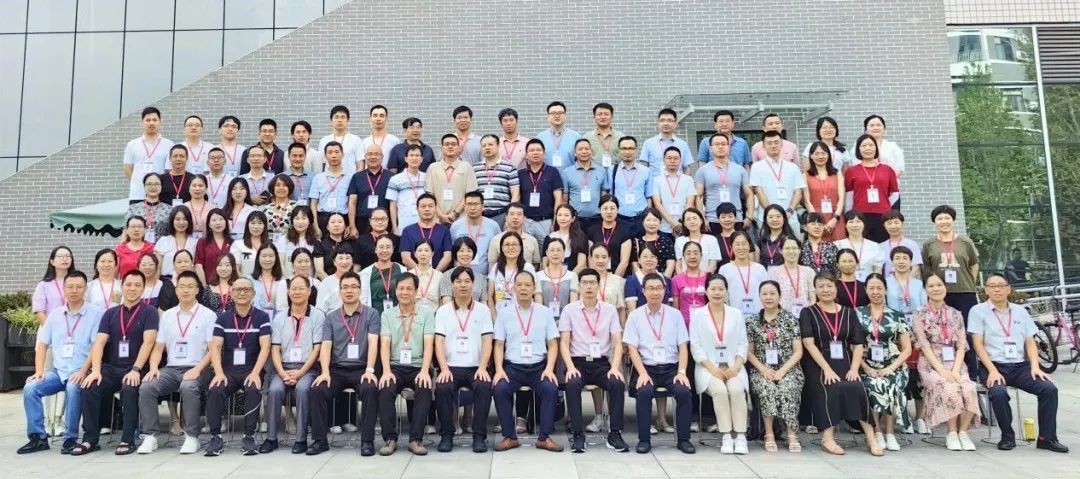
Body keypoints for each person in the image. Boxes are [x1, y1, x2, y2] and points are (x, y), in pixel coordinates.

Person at [970, 274, 1068, 453]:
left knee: (1049, 389)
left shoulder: (1020, 311)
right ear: (986, 290)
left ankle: (1046, 438)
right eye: (992, 286)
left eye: (1001, 285)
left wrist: (1035, 366)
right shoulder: (977, 311)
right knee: (998, 392)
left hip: (1020, 366)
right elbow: (978, 345)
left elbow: (1030, 341)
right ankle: (1007, 436)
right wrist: (992, 370)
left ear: (1009, 289)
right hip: (993, 365)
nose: (997, 289)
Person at [72, 270, 159, 456]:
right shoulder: (110, 313)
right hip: (111, 367)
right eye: (128, 284)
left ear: (143, 288)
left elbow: (149, 342)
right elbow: (99, 342)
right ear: (122, 286)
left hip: (136, 368)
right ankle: (90, 439)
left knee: (129, 388)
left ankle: (127, 439)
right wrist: (95, 371)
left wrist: (136, 369)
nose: (132, 288)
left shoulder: (150, 312)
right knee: (89, 386)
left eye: (137, 285)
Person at [18, 271, 103, 455]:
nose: (74, 290)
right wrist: (39, 371)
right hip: (58, 372)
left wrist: (83, 371)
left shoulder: (96, 313)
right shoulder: (55, 315)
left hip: (83, 371)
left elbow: (96, 346)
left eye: (79, 287)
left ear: (85, 289)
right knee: (31, 388)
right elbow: (42, 344)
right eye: (70, 287)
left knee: (73, 387)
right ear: (64, 289)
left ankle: (70, 438)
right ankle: (38, 438)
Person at [799, 272, 883, 456]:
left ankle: (871, 438)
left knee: (856, 386)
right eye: (821, 286)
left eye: (829, 285)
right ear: (815, 290)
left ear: (836, 288)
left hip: (845, 359)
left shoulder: (848, 312)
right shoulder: (808, 312)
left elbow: (858, 344)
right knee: (833, 385)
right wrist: (827, 369)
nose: (825, 290)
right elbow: (808, 343)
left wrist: (854, 368)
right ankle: (827, 438)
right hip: (818, 362)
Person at [135, 271, 215, 454]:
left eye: (190, 286)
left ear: (197, 290)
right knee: (147, 386)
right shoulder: (168, 315)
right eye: (182, 286)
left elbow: (213, 350)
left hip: (199, 367)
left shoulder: (208, 315)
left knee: (188, 386)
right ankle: (150, 436)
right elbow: (158, 348)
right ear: (176, 290)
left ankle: (192, 437)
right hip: (171, 368)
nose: (186, 290)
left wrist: (198, 369)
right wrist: (153, 368)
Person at [559, 267, 629, 453]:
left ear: (598, 286)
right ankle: (577, 435)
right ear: (579, 286)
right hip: (578, 363)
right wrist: (570, 367)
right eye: (585, 283)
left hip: (602, 363)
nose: (589, 286)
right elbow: (564, 343)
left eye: (592, 283)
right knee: (572, 383)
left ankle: (615, 433)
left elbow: (617, 342)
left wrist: (615, 368)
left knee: (617, 383)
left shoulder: (609, 310)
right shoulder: (569, 310)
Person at [624, 273, 695, 454]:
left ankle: (684, 439)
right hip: (646, 368)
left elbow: (683, 346)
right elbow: (632, 348)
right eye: (651, 288)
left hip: (672, 368)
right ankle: (644, 440)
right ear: (643, 291)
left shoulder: (675, 315)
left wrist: (682, 372)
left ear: (664, 291)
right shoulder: (635, 316)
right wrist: (642, 373)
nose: (655, 292)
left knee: (684, 392)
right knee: (644, 392)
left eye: (658, 288)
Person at [492, 271, 563, 452]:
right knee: (500, 389)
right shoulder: (504, 313)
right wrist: (499, 369)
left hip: (538, 368)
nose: (523, 288)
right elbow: (498, 344)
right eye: (519, 285)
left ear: (534, 288)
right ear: (514, 288)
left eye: (527, 285)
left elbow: (552, 344)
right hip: (513, 368)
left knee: (550, 389)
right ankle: (510, 437)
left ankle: (544, 438)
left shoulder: (545, 312)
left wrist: (549, 368)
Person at [203, 277, 271, 456]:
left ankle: (249, 436)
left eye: (246, 289)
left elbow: (265, 347)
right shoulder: (223, 318)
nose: (242, 293)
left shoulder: (262, 317)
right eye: (238, 289)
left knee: (253, 389)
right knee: (215, 389)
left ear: (253, 293)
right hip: (228, 371)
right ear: (232, 293)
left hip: (251, 369)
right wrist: (218, 373)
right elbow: (215, 347)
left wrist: (256, 373)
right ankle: (215, 437)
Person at [913, 273, 980, 451]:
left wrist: (956, 369)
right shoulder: (919, 314)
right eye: (931, 286)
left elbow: (961, 345)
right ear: (925, 290)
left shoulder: (956, 314)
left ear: (945, 287)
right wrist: (942, 371)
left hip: (955, 363)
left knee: (969, 388)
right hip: (931, 364)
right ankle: (951, 433)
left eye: (939, 285)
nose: (936, 289)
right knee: (950, 388)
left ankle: (963, 432)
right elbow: (924, 345)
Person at [433, 267, 494, 452]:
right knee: (443, 388)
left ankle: (479, 436)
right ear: (452, 285)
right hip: (451, 367)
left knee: (483, 386)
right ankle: (446, 435)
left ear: (473, 284)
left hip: (476, 366)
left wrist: (483, 367)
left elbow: (487, 341)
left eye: (467, 281)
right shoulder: (443, 311)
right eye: (458, 281)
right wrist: (444, 369)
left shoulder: (483, 310)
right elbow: (438, 342)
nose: (463, 285)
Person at [262, 272, 323, 454]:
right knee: (274, 390)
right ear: (288, 292)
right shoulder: (280, 317)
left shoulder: (318, 316)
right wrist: (282, 373)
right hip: (284, 368)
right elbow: (275, 349)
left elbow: (317, 349)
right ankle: (271, 438)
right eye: (293, 289)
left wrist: (301, 372)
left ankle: (301, 439)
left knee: (303, 389)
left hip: (308, 369)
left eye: (301, 288)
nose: (297, 292)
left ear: (309, 291)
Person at [689, 274, 749, 454]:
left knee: (736, 389)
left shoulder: (736, 314)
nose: (717, 292)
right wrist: (712, 369)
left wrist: (736, 367)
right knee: (720, 391)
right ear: (706, 291)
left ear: (726, 291)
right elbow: (696, 346)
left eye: (721, 289)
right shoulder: (698, 315)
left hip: (733, 367)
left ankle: (740, 436)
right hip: (708, 368)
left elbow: (743, 343)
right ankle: (726, 436)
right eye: (713, 289)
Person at [376, 272, 435, 456]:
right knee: (385, 388)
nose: (405, 292)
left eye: (409, 288)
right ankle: (390, 439)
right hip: (395, 366)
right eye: (401, 288)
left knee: (424, 387)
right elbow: (385, 344)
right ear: (396, 291)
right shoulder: (387, 315)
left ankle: (415, 440)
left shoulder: (426, 314)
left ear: (416, 292)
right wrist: (386, 371)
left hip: (418, 366)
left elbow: (429, 344)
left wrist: (425, 370)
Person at [745, 280, 804, 453]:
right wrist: (763, 370)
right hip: (762, 369)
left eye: (772, 293)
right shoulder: (752, 321)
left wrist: (783, 371)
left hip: (788, 369)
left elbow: (798, 351)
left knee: (788, 386)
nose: (768, 297)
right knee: (767, 388)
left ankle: (791, 433)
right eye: (764, 293)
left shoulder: (791, 319)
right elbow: (749, 352)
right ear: (759, 296)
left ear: (780, 295)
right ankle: (769, 433)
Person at [922, 204, 981, 376]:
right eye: (939, 218)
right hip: (940, 296)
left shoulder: (965, 242)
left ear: (953, 220)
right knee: (942, 333)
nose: (944, 221)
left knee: (967, 333)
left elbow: (974, 265)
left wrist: (970, 282)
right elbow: (927, 270)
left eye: (947, 218)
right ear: (935, 222)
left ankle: (972, 373)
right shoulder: (929, 244)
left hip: (965, 293)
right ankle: (946, 371)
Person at [857, 273, 912, 452]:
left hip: (894, 365)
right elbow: (852, 346)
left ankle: (890, 433)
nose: (875, 292)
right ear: (866, 290)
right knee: (873, 384)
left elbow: (907, 349)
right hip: (866, 365)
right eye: (871, 288)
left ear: (886, 290)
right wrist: (865, 367)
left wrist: (891, 368)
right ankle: (877, 432)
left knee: (891, 384)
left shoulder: (897, 315)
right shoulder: (857, 314)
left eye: (879, 288)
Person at [844, 135, 900, 242]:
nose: (868, 148)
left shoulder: (887, 170)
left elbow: (894, 193)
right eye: (864, 146)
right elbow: (849, 196)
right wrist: (848, 216)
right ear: (858, 149)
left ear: (876, 148)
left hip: (883, 216)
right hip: (860, 216)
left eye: (871, 145)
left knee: (883, 246)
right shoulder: (851, 171)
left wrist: (886, 207)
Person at [696, 134, 754, 232]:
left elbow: (749, 194)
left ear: (729, 147)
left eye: (723, 144)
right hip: (712, 220)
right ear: (710, 148)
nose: (720, 147)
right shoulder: (703, 170)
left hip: (736, 219)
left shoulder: (740, 169)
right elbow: (698, 196)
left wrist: (749, 217)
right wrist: (702, 219)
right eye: (716, 144)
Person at [750, 131, 805, 232]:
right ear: (764, 146)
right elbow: (758, 191)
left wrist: (790, 211)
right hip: (767, 219)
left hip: (790, 218)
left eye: (776, 142)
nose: (773, 146)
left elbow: (798, 192)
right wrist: (772, 214)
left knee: (793, 242)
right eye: (769, 143)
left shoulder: (793, 167)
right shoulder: (756, 167)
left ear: (781, 144)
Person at [425, 134, 479, 225]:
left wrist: (455, 213)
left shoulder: (466, 166)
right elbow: (430, 195)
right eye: (447, 144)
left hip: (461, 219)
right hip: (437, 219)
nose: (450, 146)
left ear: (459, 148)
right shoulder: (433, 168)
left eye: (453, 144)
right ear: (442, 148)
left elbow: (470, 194)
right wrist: (441, 215)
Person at [123, 107, 173, 203]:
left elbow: (169, 171)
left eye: (154, 120)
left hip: (161, 195)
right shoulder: (132, 144)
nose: (151, 123)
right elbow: (127, 169)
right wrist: (139, 182)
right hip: (138, 194)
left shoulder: (169, 145)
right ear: (142, 123)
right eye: (148, 120)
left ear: (160, 122)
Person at [519, 139, 565, 240]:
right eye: (532, 150)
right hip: (526, 221)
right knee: (526, 248)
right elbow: (518, 197)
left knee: (546, 248)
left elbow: (558, 198)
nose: (535, 153)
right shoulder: (521, 174)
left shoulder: (553, 172)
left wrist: (556, 220)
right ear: (526, 155)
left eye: (538, 150)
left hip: (546, 221)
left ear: (544, 154)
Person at [561, 138, 610, 233]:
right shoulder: (566, 172)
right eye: (580, 149)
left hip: (597, 219)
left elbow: (604, 196)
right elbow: (565, 198)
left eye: (587, 149)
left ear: (591, 151)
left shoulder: (601, 171)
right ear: (575, 153)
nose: (584, 152)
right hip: (576, 219)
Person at [652, 138, 698, 235]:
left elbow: (690, 203)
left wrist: (681, 222)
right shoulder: (656, 180)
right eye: (669, 158)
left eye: (676, 158)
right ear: (664, 160)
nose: (672, 161)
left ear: (680, 160)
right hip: (664, 227)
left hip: (684, 225)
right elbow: (657, 204)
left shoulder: (688, 179)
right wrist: (673, 222)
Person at [717, 231, 769, 317]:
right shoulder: (724, 270)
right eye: (737, 244)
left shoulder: (760, 269)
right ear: (731, 246)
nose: (741, 247)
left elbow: (767, 292)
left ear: (749, 246)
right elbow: (723, 296)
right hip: (734, 317)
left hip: (758, 317)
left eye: (744, 244)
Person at [803, 141, 846, 242]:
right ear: (811, 156)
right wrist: (817, 221)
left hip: (835, 217)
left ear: (828, 155)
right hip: (816, 220)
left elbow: (841, 198)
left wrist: (835, 219)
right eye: (816, 154)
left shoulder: (837, 173)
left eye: (823, 153)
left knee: (839, 247)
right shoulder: (805, 175)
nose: (820, 156)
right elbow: (806, 201)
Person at [450, 191, 501, 275]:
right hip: (460, 275)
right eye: (469, 204)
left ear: (482, 206)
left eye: (476, 204)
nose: (472, 208)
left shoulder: (493, 225)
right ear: (464, 206)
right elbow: (452, 252)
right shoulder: (455, 226)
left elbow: (499, 251)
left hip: (485, 275)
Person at [474, 134, 520, 226]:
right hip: (480, 215)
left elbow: (516, 194)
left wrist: (510, 215)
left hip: (501, 214)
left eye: (490, 144)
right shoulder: (475, 168)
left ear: (498, 146)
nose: (487, 147)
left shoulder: (510, 168)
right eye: (484, 145)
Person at [347, 143, 392, 236]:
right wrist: (352, 226)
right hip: (362, 222)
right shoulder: (357, 177)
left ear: (382, 157)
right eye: (370, 154)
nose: (373, 157)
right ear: (365, 157)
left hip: (384, 222)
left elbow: (394, 204)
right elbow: (352, 202)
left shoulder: (391, 177)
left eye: (376, 154)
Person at [309, 142, 350, 236]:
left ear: (342, 154)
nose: (333, 155)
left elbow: (353, 203)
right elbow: (313, 204)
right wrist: (315, 225)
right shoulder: (318, 178)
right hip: (323, 219)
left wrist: (350, 224)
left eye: (336, 152)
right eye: (330, 152)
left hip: (343, 219)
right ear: (325, 156)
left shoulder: (350, 177)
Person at [488, 232, 537, 313]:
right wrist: (495, 316)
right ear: (502, 248)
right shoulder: (496, 267)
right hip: (500, 315)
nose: (511, 247)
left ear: (520, 247)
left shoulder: (527, 267)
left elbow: (535, 293)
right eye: (507, 244)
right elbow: (490, 296)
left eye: (514, 244)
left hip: (522, 315)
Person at [401, 195, 453, 271]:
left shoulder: (444, 230)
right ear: (417, 209)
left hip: (438, 275)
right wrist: (420, 274)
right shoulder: (408, 231)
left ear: (435, 208)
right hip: (415, 276)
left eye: (430, 206)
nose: (427, 209)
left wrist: (434, 275)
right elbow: (406, 258)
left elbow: (447, 257)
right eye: (423, 206)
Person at [768, 237, 816, 318]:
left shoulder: (808, 271)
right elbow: (772, 297)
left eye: (794, 248)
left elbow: (813, 298)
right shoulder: (774, 272)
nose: (791, 251)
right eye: (787, 248)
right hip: (782, 317)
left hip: (806, 316)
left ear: (799, 250)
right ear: (781, 250)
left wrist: (808, 315)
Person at [387, 144, 429, 234]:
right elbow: (392, 205)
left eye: (417, 155)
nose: (414, 158)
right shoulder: (395, 179)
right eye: (411, 155)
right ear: (406, 159)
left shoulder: (427, 177)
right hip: (404, 225)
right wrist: (394, 227)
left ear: (422, 159)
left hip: (425, 223)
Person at [358, 235, 405, 315]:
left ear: (393, 249)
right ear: (375, 249)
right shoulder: (366, 273)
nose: (384, 250)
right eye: (381, 247)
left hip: (398, 315)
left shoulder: (401, 270)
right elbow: (363, 300)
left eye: (388, 247)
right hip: (374, 316)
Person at [587, 195, 633, 276]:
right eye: (605, 208)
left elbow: (624, 262)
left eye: (612, 208)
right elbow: (590, 258)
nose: (609, 212)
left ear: (617, 210)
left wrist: (614, 279)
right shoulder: (592, 230)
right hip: (597, 276)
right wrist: (596, 277)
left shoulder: (625, 231)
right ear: (599, 210)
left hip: (618, 276)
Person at [639, 108, 693, 177]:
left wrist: (686, 182)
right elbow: (643, 167)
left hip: (677, 182)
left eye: (669, 120)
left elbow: (687, 168)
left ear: (675, 123)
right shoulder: (648, 143)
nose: (665, 123)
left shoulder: (683, 144)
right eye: (662, 120)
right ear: (658, 123)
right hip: (655, 183)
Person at [487, 203, 541, 270]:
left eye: (519, 214)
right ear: (506, 217)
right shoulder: (496, 240)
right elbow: (492, 265)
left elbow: (536, 264)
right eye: (512, 214)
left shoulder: (532, 240)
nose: (515, 217)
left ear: (524, 218)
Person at [535, 238, 579, 318]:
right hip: (544, 320)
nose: (555, 253)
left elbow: (573, 306)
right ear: (547, 253)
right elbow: (539, 307)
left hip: (567, 320)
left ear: (564, 253)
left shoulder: (572, 276)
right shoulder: (538, 276)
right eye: (552, 250)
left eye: (559, 250)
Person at [438, 238, 488, 305]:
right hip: (453, 311)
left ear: (473, 254)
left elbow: (484, 304)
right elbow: (446, 303)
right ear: (455, 253)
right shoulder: (447, 275)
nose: (465, 254)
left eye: (469, 251)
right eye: (461, 251)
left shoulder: (481, 278)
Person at [836, 211, 884, 280]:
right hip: (844, 284)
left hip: (868, 284)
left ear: (864, 224)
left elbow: (877, 271)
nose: (855, 225)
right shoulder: (837, 245)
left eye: (858, 221)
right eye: (851, 222)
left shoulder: (875, 246)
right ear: (845, 225)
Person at [624, 244, 672, 313]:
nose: (649, 260)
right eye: (645, 257)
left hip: (664, 318)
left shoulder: (666, 281)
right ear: (639, 260)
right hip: (640, 318)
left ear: (657, 260)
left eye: (652, 256)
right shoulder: (632, 281)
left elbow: (670, 307)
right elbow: (632, 309)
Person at [33, 246, 74, 325]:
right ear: (52, 262)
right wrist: (50, 329)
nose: (65, 259)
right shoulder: (43, 285)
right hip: (51, 328)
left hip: (75, 328)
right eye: (60, 256)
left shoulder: (78, 282)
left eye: (67, 256)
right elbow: (39, 312)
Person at [317, 105, 362, 176]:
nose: (339, 120)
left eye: (343, 117)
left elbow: (360, 165)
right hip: (328, 180)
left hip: (350, 180)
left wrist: (356, 180)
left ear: (348, 120)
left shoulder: (356, 140)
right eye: (336, 117)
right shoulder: (324, 141)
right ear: (331, 120)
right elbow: (320, 165)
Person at [125, 174, 171, 243]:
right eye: (149, 184)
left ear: (161, 187)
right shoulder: (133, 208)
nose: (153, 187)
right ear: (144, 186)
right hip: (138, 247)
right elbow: (125, 231)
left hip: (162, 247)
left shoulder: (169, 209)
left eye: (156, 184)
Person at [273, 249, 321, 313]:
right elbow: (281, 308)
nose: (303, 264)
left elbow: (320, 308)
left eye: (307, 261)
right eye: (299, 261)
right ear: (293, 263)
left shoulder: (317, 283)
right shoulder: (284, 284)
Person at [674, 208, 720, 273]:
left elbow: (713, 264)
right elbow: (678, 264)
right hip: (684, 278)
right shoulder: (679, 241)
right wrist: (682, 278)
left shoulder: (711, 239)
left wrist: (704, 278)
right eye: (688, 219)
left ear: (701, 220)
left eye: (695, 218)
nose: (692, 222)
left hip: (706, 278)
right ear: (684, 223)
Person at [632, 209, 676, 276]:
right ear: (643, 222)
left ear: (660, 222)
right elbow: (634, 264)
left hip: (662, 278)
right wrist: (642, 280)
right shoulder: (637, 241)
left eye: (655, 220)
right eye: (648, 220)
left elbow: (671, 264)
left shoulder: (667, 240)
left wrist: (663, 280)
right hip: (641, 279)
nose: (652, 223)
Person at [671, 241, 708, 325]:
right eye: (688, 253)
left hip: (705, 323)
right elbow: (676, 308)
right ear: (683, 256)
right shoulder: (676, 280)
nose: (692, 256)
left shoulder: (708, 278)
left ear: (701, 256)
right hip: (684, 324)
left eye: (696, 253)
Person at [274, 206, 317, 277]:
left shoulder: (316, 241)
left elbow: (317, 268)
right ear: (292, 221)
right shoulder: (284, 239)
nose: (300, 222)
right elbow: (281, 264)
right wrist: (289, 280)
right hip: (289, 279)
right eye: (297, 218)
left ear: (310, 221)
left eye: (304, 218)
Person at [156, 206, 197, 279]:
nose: (181, 222)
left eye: (185, 219)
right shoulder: (163, 241)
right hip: (167, 281)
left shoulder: (195, 242)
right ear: (172, 221)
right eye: (177, 219)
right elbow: (157, 268)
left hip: (189, 281)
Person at [537, 101, 581, 168]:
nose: (557, 116)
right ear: (548, 117)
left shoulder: (576, 136)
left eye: (560, 113)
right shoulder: (540, 137)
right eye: (553, 113)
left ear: (565, 116)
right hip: (547, 175)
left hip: (569, 174)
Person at [880, 210, 923, 277]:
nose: (893, 226)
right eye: (889, 223)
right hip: (887, 282)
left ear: (902, 224)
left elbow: (916, 268)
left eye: (896, 222)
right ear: (884, 226)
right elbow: (877, 269)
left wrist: (905, 282)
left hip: (908, 282)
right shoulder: (880, 247)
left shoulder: (912, 244)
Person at [194, 208, 232, 284]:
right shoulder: (202, 242)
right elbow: (198, 265)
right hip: (209, 284)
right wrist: (205, 286)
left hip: (229, 285)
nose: (218, 223)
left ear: (226, 222)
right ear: (209, 224)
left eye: (221, 219)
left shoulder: (232, 243)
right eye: (214, 220)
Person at [583, 102, 623, 172]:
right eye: (599, 114)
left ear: (612, 117)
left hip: (616, 173)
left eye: (606, 114)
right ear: (594, 117)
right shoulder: (586, 138)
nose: (603, 117)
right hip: (594, 174)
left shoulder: (621, 137)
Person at [315, 245, 355, 313]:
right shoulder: (326, 283)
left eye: (347, 258)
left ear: (352, 262)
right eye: (340, 258)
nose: (344, 262)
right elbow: (320, 310)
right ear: (334, 262)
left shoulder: (360, 280)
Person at [548, 204, 589, 272]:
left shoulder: (581, 237)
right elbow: (545, 263)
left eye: (566, 215)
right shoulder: (549, 237)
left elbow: (581, 264)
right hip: (552, 276)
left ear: (573, 218)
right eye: (559, 215)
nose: (562, 218)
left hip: (574, 275)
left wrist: (569, 276)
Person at [229, 210, 270, 276]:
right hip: (244, 281)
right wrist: (245, 281)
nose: (256, 227)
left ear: (265, 226)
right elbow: (236, 269)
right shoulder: (238, 244)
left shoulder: (270, 245)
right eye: (253, 223)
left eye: (260, 223)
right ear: (247, 225)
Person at [252, 244, 285, 320]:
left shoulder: (283, 281)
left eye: (271, 256)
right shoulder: (250, 280)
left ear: (276, 258)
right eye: (264, 256)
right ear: (258, 258)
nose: (267, 259)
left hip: (277, 321)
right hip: (255, 321)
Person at [262, 175, 299, 242]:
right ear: (273, 188)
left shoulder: (296, 206)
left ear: (289, 188)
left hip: (291, 243)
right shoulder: (266, 209)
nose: (281, 188)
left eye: (285, 185)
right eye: (277, 185)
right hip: (270, 245)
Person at [408, 240, 443, 310]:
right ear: (415, 254)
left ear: (432, 253)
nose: (423, 254)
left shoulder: (439, 276)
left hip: (434, 314)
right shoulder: (409, 275)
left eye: (426, 250)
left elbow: (442, 301)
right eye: (420, 250)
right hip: (413, 315)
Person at [223, 177, 257, 242]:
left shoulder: (253, 211)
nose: (238, 192)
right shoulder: (223, 211)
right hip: (226, 244)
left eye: (242, 189)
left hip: (245, 244)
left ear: (247, 191)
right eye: (234, 189)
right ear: (230, 192)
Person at [183, 174, 211, 239]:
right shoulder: (182, 207)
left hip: (207, 243)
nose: (197, 188)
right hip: (187, 243)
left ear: (206, 189)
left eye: (200, 186)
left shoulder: (213, 208)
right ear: (189, 188)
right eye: (194, 186)